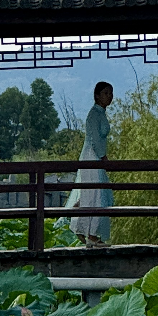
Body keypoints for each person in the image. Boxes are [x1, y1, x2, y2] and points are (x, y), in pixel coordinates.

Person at [66, 81, 113, 246]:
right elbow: (94, 138)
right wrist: (103, 156)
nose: (110, 97)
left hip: (96, 156)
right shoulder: (94, 114)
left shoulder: (101, 114)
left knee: (96, 194)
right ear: (97, 96)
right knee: (95, 195)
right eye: (106, 93)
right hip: (92, 157)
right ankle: (91, 235)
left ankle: (83, 228)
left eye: (110, 93)